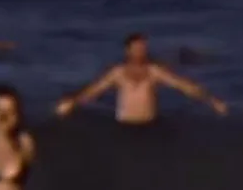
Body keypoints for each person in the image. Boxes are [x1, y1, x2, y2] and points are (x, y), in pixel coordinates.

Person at [54, 33, 228, 125]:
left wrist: (212, 101)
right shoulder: (118, 73)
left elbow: (184, 86)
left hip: (150, 125)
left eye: (143, 48)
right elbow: (94, 91)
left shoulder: (154, 72)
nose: (140, 51)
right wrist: (72, 103)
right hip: (124, 126)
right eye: (136, 48)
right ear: (127, 51)